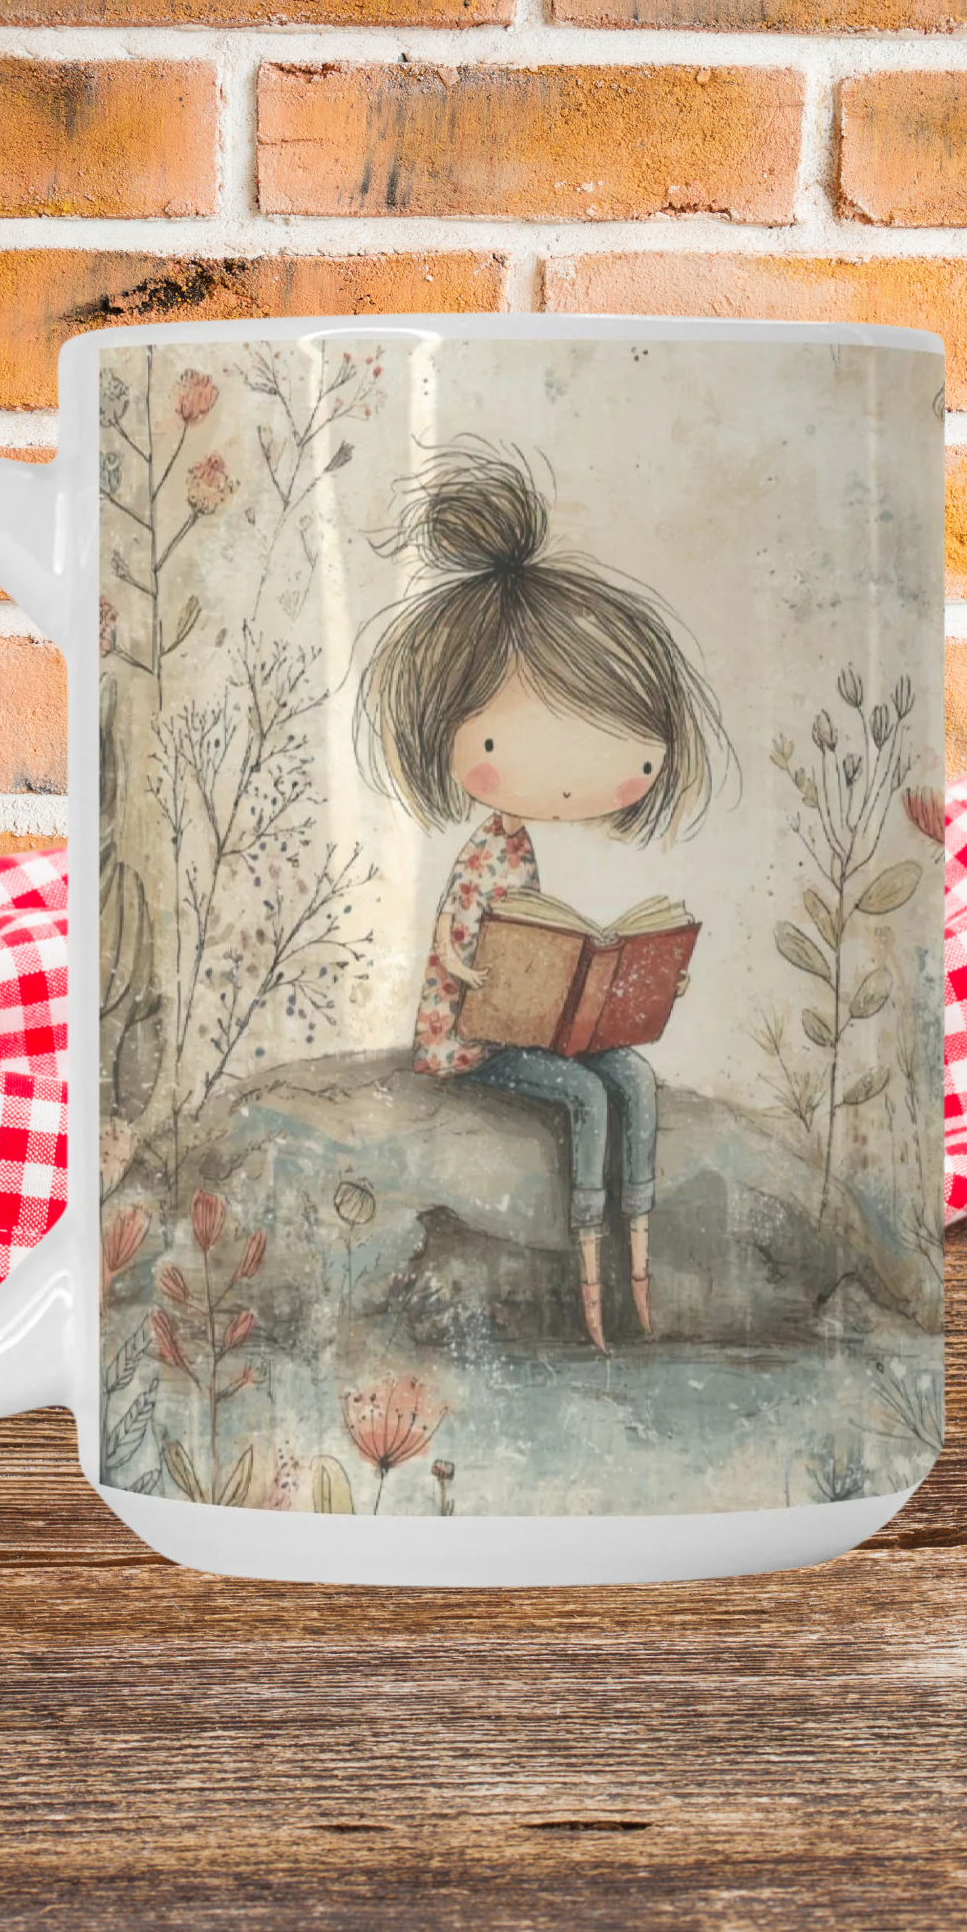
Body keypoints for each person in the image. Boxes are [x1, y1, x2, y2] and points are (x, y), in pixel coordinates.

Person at [355, 443, 729, 1353]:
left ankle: (637, 1253)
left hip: (530, 1029)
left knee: (630, 1075)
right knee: (586, 1098)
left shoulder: (524, 848)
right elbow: (459, 951)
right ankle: (589, 1267)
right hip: (475, 1046)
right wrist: (481, 970)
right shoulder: (488, 852)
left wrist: (632, 985)